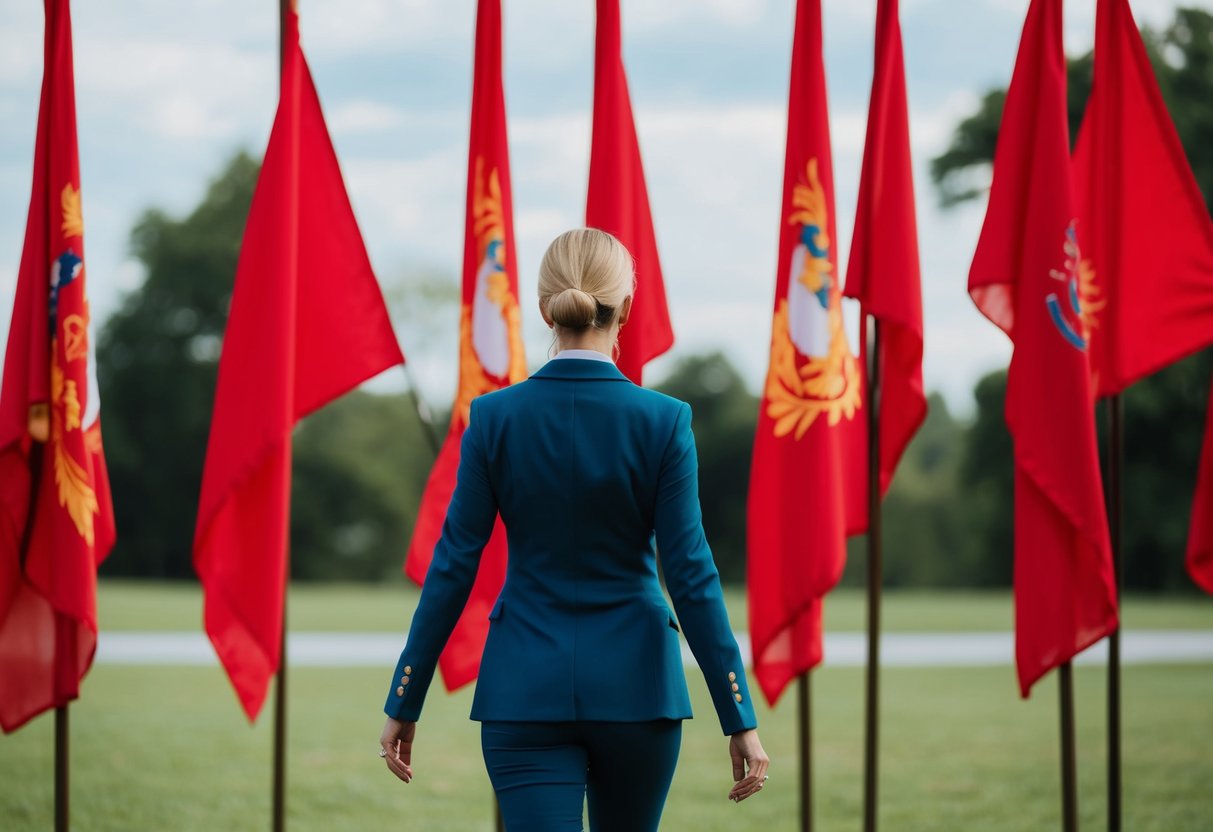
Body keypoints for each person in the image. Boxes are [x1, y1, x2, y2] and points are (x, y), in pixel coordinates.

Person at [379, 228, 769, 831]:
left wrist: (406, 696)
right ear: (627, 309)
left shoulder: (492, 418)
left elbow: (455, 563)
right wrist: (737, 714)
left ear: (544, 310)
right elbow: (690, 574)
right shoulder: (665, 423)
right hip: (640, 693)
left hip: (523, 690)